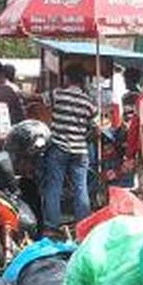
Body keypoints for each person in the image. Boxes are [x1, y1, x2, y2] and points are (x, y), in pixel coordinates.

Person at [41, 64, 98, 234]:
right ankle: (84, 225)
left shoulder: (58, 94)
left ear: (67, 78)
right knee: (81, 188)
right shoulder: (88, 102)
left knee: (54, 186)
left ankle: (52, 225)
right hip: (80, 150)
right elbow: (92, 126)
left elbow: (37, 98)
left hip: (59, 147)